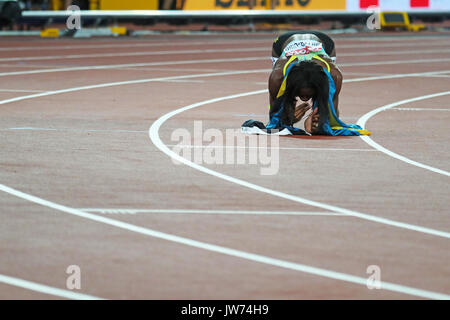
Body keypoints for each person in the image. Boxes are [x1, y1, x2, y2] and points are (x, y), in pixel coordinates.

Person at [241, 30, 370, 136]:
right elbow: (274, 117)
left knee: (326, 104)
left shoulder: (335, 76)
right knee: (282, 106)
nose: (304, 99)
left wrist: (318, 122)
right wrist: (288, 117)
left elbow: (333, 116)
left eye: (309, 95)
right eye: (300, 94)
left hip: (324, 41)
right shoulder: (277, 78)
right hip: (282, 43)